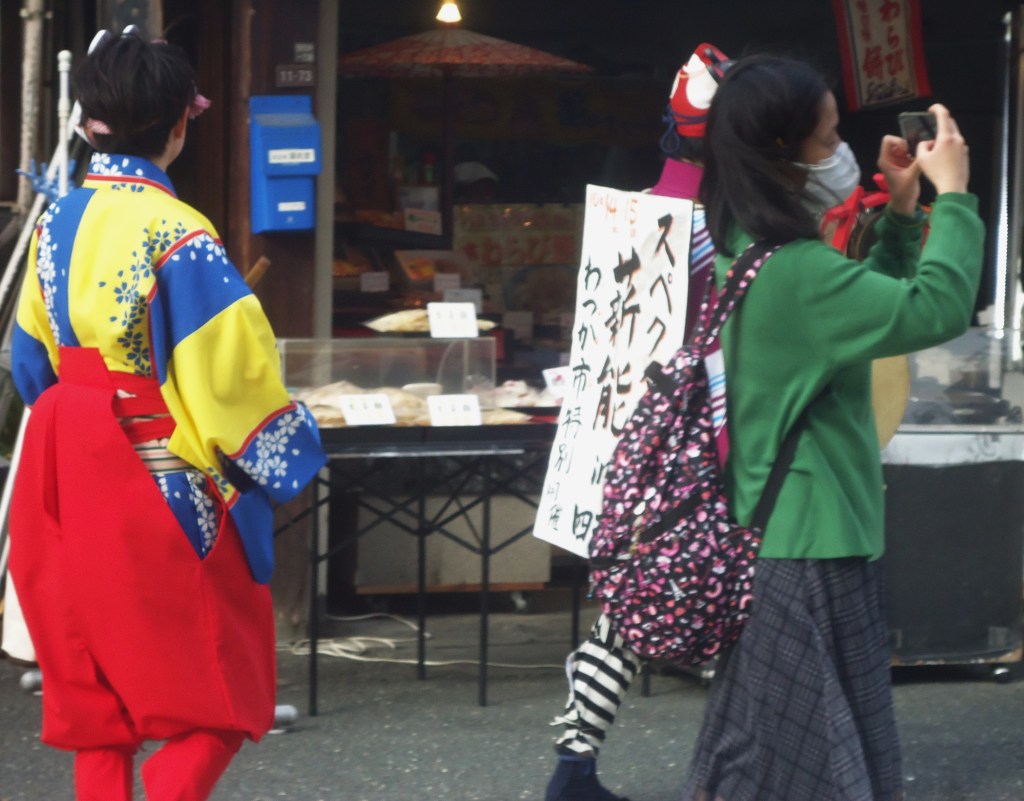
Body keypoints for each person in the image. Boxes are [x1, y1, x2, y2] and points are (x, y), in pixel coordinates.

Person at [7, 30, 326, 801]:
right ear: (181, 124)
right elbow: (231, 381)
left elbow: (28, 362)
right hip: (145, 456)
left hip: (59, 454)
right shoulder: (179, 233)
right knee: (223, 683)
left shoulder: (56, 222)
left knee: (95, 696)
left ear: (89, 124)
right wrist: (292, 443)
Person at [681, 54, 982, 801]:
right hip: (810, 539)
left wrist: (902, 215)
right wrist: (954, 196)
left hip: (774, 530)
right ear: (783, 151)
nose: (841, 150)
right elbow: (934, 309)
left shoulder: (740, 246)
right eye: (829, 136)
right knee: (811, 767)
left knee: (773, 753)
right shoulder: (796, 270)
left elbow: (860, 311)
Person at [543, 43, 731, 801]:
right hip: (705, 436)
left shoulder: (637, 212)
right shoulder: (726, 224)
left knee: (626, 598)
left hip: (627, 433)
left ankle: (574, 761)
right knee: (738, 595)